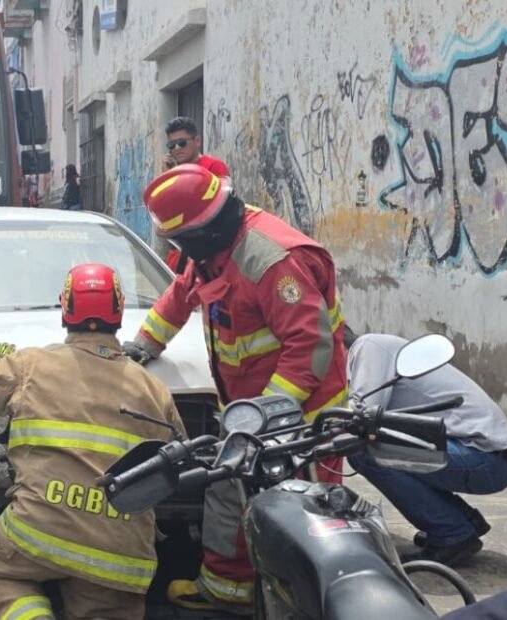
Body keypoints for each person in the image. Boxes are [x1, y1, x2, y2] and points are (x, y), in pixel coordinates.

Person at [122, 164, 348, 613]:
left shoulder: (272, 262)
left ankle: (310, 597)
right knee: (230, 489)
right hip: (250, 410)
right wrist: (144, 344)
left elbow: (309, 346)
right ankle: (228, 589)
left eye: (179, 241)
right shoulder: (214, 247)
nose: (179, 250)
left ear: (200, 230)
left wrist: (266, 416)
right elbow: (181, 295)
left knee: (304, 511)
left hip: (301, 417)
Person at [0, 263, 187, 620]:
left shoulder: (30, 365)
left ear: (66, 308)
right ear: (119, 310)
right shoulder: (154, 389)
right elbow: (179, 458)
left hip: (38, 533)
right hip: (120, 555)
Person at [344, 328, 507, 567]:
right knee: (385, 445)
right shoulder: (375, 349)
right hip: (486, 455)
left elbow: (362, 415)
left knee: (364, 451)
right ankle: (463, 520)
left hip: (486, 458)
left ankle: (452, 533)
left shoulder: (368, 347)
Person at [162, 117, 229, 273]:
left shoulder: (213, 167)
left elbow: (222, 208)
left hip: (209, 249)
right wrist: (167, 177)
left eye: (182, 143)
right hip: (180, 250)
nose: (177, 148)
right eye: (172, 145)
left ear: (197, 141)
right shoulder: (173, 174)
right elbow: (166, 215)